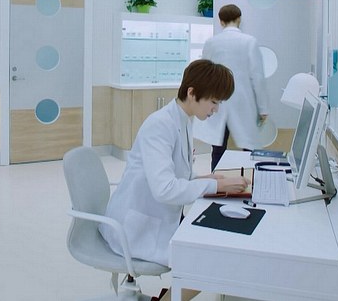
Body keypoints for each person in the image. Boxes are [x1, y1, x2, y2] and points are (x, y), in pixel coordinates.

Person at [99, 59, 249, 272]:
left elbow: (178, 174)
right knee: (209, 261)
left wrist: (203, 179)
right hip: (136, 230)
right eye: (214, 101)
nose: (216, 109)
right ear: (192, 93)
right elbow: (165, 189)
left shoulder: (184, 120)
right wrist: (216, 186)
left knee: (215, 244)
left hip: (162, 217)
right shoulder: (160, 125)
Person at [197, 4, 269, 171]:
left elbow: (204, 72)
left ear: (221, 21)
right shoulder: (249, 42)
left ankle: (216, 182)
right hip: (242, 101)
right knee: (249, 148)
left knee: (218, 148)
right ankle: (249, 180)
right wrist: (263, 108)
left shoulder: (211, 43)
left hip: (218, 100)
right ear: (239, 19)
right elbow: (257, 77)